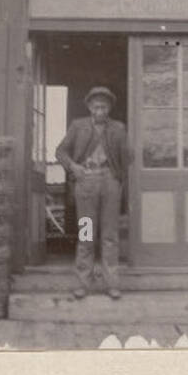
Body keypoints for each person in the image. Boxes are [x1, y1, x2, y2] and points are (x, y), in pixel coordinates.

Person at [55, 86, 131, 300]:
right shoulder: (78, 126)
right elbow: (60, 151)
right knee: (86, 234)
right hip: (86, 182)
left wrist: (117, 177)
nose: (100, 111)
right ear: (89, 107)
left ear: (109, 108)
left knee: (109, 236)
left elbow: (128, 159)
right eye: (96, 106)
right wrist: (74, 167)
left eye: (104, 107)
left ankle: (112, 285)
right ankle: (82, 284)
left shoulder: (118, 128)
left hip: (110, 183)